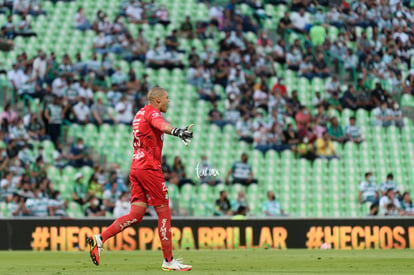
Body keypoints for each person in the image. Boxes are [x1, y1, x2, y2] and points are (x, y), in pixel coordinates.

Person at [87, 86, 193, 271]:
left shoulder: (139, 114)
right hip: (149, 168)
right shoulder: (152, 113)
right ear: (158, 100)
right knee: (164, 211)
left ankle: (100, 239)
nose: (169, 101)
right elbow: (161, 125)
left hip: (136, 166)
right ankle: (168, 260)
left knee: (136, 215)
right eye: (167, 98)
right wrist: (177, 131)